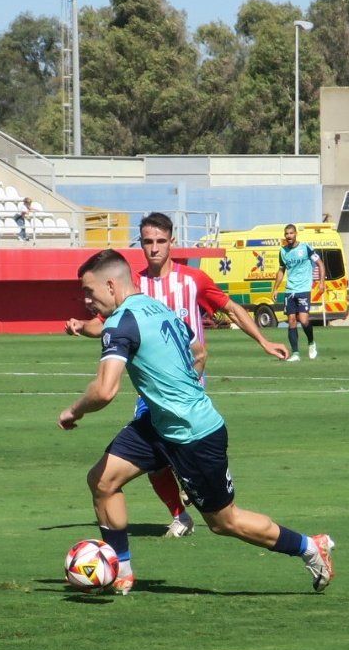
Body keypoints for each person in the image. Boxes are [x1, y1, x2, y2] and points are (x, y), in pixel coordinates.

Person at [57, 248, 335, 594]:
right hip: (158, 424)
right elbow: (198, 351)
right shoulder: (156, 308)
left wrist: (74, 411)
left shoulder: (120, 322)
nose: (86, 299)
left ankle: (310, 546)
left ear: (111, 285)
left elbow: (105, 390)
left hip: (193, 433)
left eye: (89, 291)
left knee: (224, 522)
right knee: (102, 481)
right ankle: (121, 571)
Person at [66, 212, 289, 537]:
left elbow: (228, 308)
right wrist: (82, 327)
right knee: (117, 471)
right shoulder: (133, 284)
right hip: (153, 398)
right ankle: (174, 518)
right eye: (147, 242)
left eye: (159, 241)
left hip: (189, 398)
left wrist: (263, 340)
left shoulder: (192, 280)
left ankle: (188, 490)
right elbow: (108, 326)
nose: (154, 248)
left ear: (172, 242)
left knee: (220, 517)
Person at [271, 224, 323, 362]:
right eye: (286, 234)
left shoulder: (305, 248)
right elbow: (281, 270)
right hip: (290, 291)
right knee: (292, 321)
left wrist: (322, 282)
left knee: (304, 320)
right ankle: (295, 353)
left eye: (291, 233)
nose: (289, 236)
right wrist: (275, 288)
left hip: (304, 289)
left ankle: (311, 342)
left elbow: (320, 264)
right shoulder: (283, 251)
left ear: (296, 234)